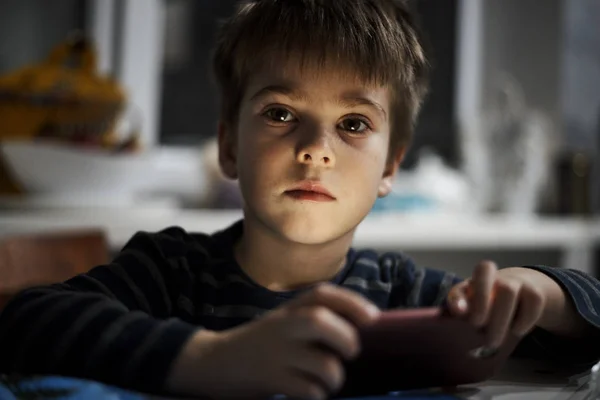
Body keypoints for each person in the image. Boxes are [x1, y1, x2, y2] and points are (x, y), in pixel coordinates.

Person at [1, 1, 600, 399]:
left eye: (355, 125)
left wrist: (538, 293)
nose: (316, 149)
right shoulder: (168, 272)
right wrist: (208, 359)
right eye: (281, 114)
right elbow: (25, 321)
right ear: (229, 147)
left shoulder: (401, 296)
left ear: (391, 167)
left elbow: (583, 333)